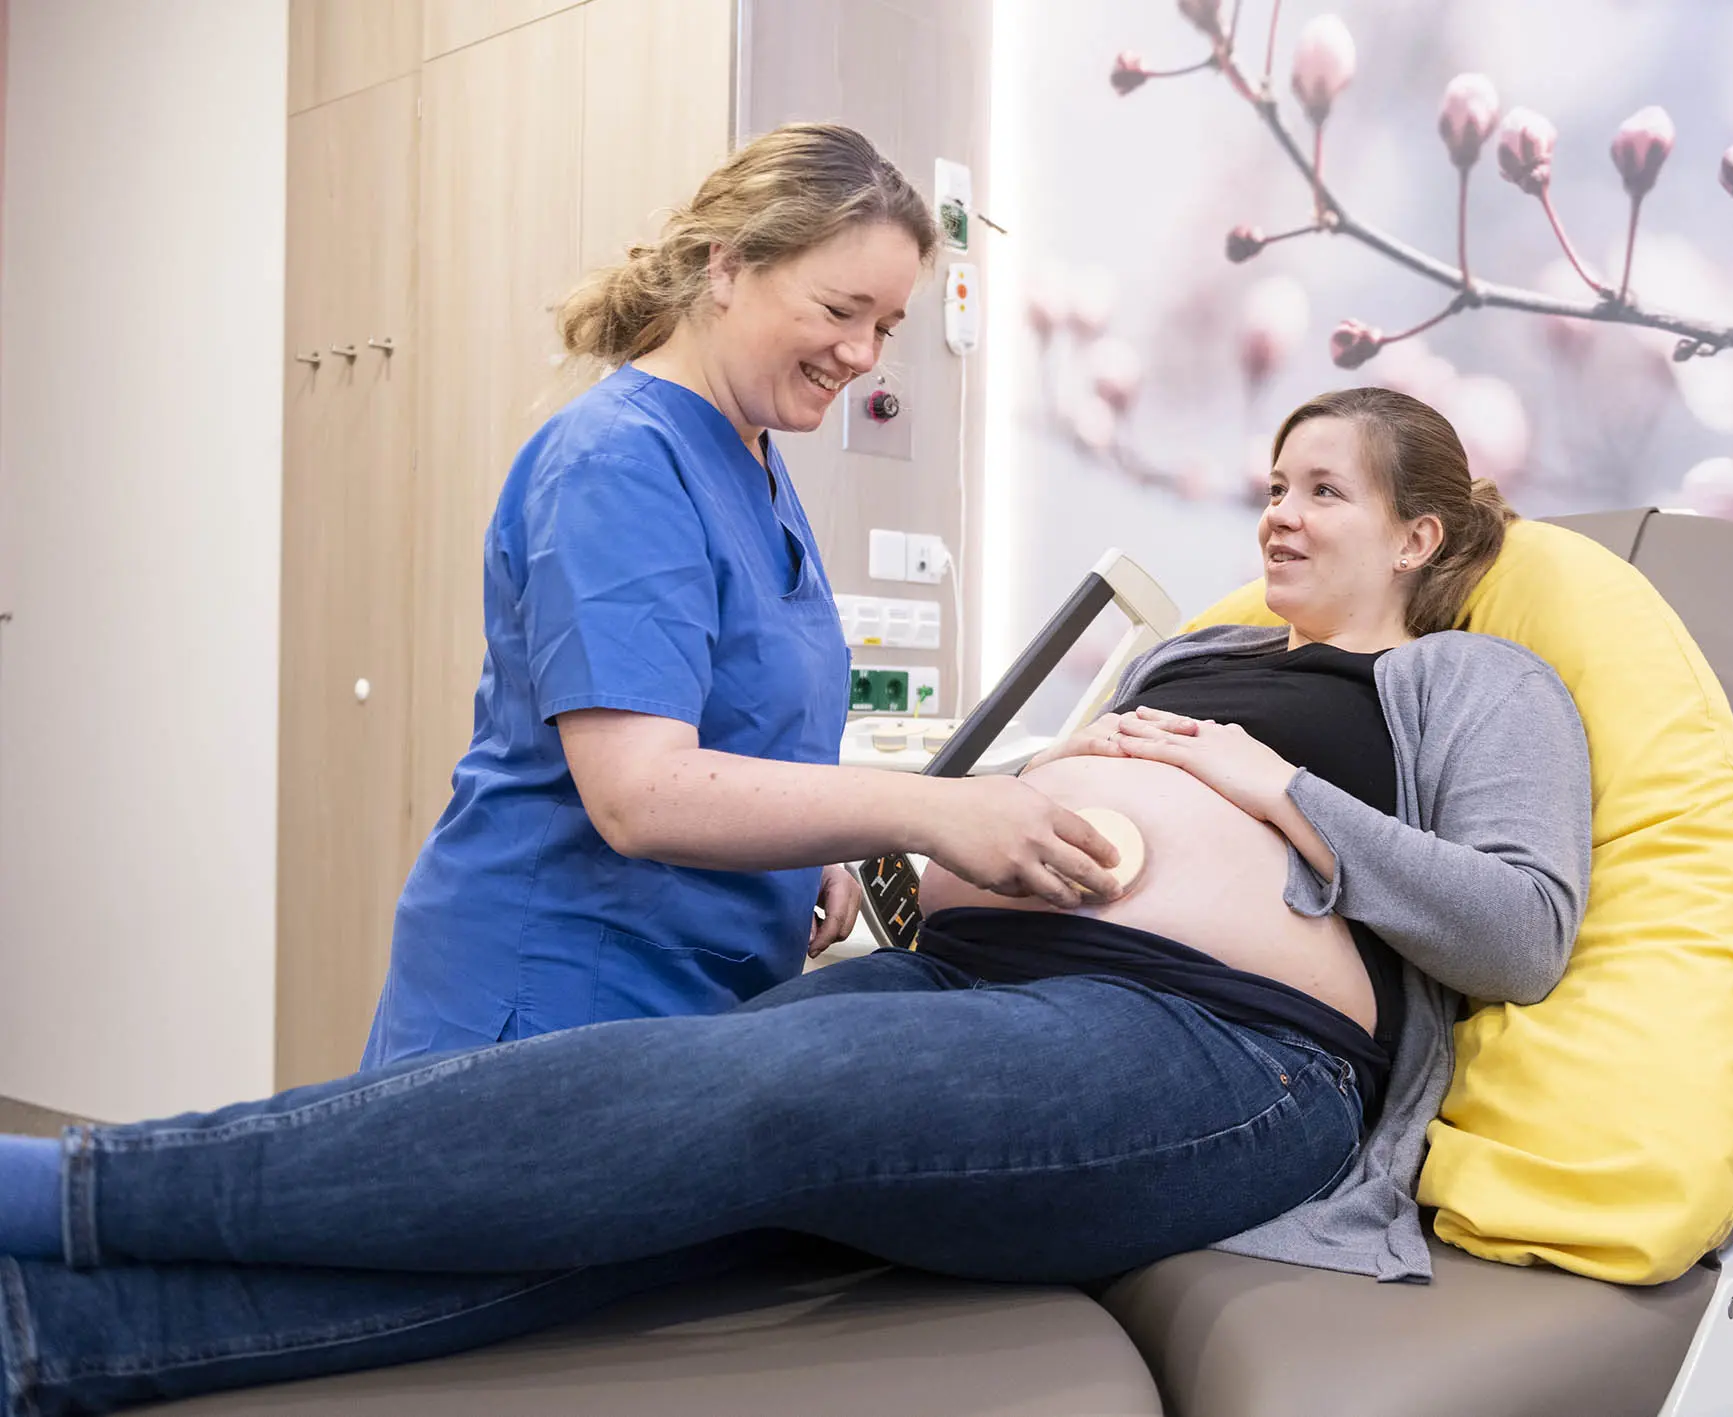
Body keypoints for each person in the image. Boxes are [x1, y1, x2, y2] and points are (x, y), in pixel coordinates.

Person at [0, 389, 1594, 1414]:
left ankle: (66, 1190)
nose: (1277, 513)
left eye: (1322, 490)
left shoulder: (1471, 681)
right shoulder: (1190, 656)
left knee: (738, 1087)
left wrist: (1276, 788)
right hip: (972, 984)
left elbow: (1519, 930)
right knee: (659, 1170)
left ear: (1418, 533)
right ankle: (47, 1339)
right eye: (1271, 483)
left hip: (1222, 1054)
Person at [364, 122, 1127, 1068]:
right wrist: (926, 810)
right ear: (724, 267)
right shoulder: (618, 461)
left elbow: (738, 727)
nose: (863, 354)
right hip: (553, 996)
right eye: (840, 309)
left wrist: (809, 851)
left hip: (687, 999)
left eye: (886, 327)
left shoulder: (751, 453)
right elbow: (641, 792)